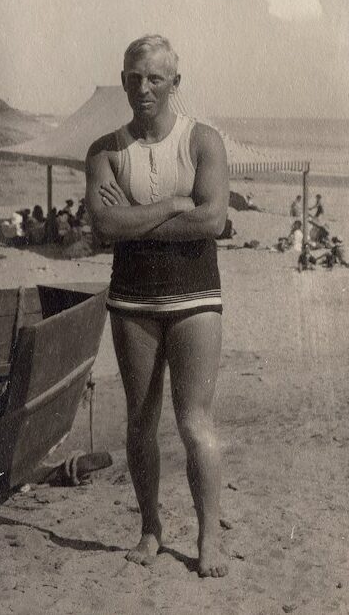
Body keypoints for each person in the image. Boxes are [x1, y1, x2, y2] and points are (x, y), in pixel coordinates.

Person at [85, 35, 229, 578]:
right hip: (132, 299)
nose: (142, 88)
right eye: (132, 77)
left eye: (154, 78)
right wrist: (173, 205)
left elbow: (213, 220)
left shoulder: (203, 142)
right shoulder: (103, 150)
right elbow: (103, 226)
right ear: (122, 80)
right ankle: (150, 529)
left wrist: (137, 218)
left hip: (196, 296)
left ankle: (208, 537)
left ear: (174, 83)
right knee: (140, 423)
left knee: (195, 423)